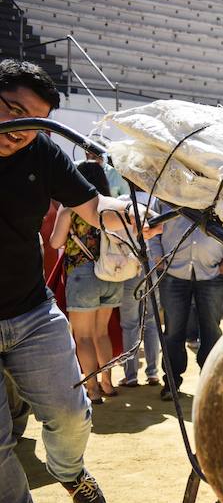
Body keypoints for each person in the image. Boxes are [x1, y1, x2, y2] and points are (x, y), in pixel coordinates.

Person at [0, 59, 158, 503]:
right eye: (12, 111)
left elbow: (94, 206)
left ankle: (68, 473)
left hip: (29, 311)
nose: (20, 130)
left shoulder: (39, 153)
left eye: (35, 122)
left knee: (70, 415)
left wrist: (134, 218)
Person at [48, 161, 124, 403]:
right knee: (102, 333)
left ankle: (92, 390)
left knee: (82, 337)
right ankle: (107, 384)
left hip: (82, 275)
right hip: (111, 274)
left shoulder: (71, 207)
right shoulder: (110, 206)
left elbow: (55, 242)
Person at [149, 202, 223, 400]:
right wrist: (157, 256)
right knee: (173, 332)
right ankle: (171, 383)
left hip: (212, 272)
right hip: (173, 273)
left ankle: (210, 385)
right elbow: (153, 227)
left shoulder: (219, 197)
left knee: (212, 331)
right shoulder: (165, 196)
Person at [117, 187, 161, 388]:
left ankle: (131, 375)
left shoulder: (122, 202)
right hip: (151, 265)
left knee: (130, 324)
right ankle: (153, 373)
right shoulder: (155, 202)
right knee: (151, 321)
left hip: (128, 267)